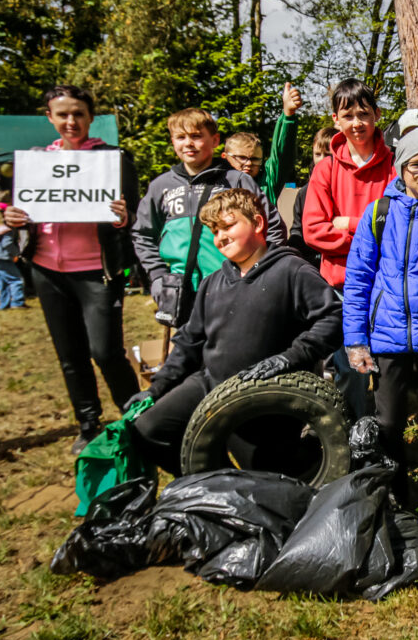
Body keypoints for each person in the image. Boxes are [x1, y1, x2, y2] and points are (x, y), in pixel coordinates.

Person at [126, 189, 342, 475]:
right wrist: (157, 388)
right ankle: (213, 484)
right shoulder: (212, 282)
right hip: (210, 383)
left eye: (228, 226)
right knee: (148, 430)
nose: (220, 237)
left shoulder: (292, 270)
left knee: (269, 478)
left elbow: (334, 316)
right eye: (214, 231)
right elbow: (189, 342)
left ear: (257, 223)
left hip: (265, 396)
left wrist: (290, 358)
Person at [4, 85, 142, 453]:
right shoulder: (35, 161)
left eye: (78, 114)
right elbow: (22, 210)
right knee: (70, 355)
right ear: (49, 117)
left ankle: (136, 417)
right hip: (47, 270)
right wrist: (14, 219)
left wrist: (122, 218)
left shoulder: (112, 158)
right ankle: (87, 422)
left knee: (106, 351)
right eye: (62, 114)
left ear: (90, 117)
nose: (71, 121)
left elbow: (135, 215)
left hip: (98, 271)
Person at [342, 130, 418, 504]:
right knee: (391, 424)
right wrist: (356, 340)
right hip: (388, 339)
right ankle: (397, 496)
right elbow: (358, 278)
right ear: (402, 169)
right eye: (417, 165)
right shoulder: (379, 213)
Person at [132, 108, 284, 324]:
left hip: (233, 286)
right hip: (180, 292)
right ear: (172, 141)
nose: (188, 144)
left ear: (214, 140)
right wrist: (157, 276)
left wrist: (261, 274)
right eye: (181, 137)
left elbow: (272, 227)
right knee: (189, 354)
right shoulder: (161, 187)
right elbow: (143, 235)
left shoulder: (237, 181)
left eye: (196, 136)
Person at [302, 79, 396, 289]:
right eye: (348, 116)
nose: (356, 123)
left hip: (386, 284)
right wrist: (370, 238)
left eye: (364, 114)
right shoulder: (326, 168)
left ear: (377, 114)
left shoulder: (395, 165)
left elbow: (398, 226)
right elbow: (313, 231)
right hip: (338, 288)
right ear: (336, 119)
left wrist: (349, 224)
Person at [220, 83, 304, 205]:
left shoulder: (266, 184)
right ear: (225, 157)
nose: (248, 163)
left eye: (255, 159)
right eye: (242, 158)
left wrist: (288, 115)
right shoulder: (215, 186)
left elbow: (281, 155)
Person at [288, 127, 336, 266]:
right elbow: (297, 230)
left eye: (327, 154)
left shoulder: (346, 188)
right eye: (317, 154)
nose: (321, 160)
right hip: (310, 263)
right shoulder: (305, 192)